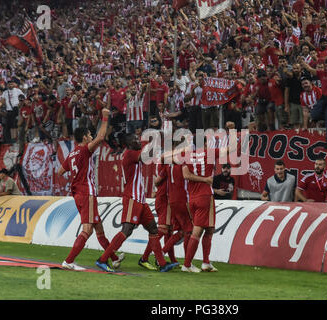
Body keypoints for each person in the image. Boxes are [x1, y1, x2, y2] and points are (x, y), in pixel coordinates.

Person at [95, 133, 179, 273]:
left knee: (153, 229)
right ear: (128, 145)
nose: (138, 141)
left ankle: (162, 264)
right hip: (132, 198)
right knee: (126, 230)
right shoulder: (129, 154)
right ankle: (103, 259)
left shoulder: (134, 154)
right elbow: (145, 156)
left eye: (138, 139)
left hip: (140, 200)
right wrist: (157, 139)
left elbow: (148, 155)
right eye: (134, 140)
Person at [58, 108, 124, 271]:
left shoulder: (73, 154)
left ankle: (114, 258)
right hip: (86, 193)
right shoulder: (83, 150)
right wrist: (105, 117)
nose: (91, 137)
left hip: (78, 193)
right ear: (85, 138)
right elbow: (101, 137)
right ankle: (69, 261)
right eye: (89, 135)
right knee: (87, 229)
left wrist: (76, 175)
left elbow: (60, 171)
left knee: (98, 228)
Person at [181, 136, 219, 273]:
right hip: (205, 196)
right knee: (197, 231)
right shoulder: (210, 153)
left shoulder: (186, 155)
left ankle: (206, 262)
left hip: (192, 197)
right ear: (205, 143)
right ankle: (187, 264)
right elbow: (231, 150)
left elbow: (186, 175)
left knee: (209, 229)